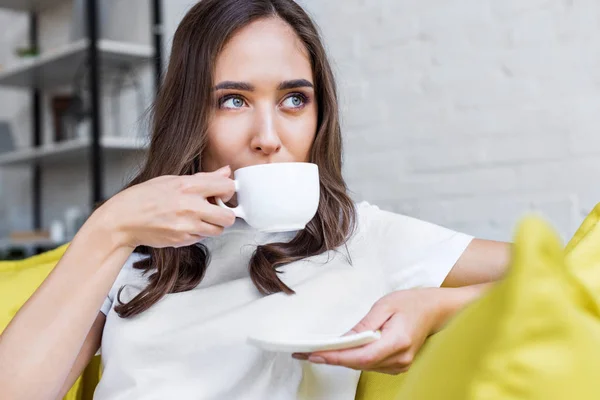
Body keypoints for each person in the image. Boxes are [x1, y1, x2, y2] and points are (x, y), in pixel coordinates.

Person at [0, 0, 510, 399]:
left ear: (319, 115)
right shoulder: (137, 246)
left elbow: (572, 269)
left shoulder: (361, 235)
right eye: (234, 100)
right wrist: (109, 228)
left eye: (294, 99)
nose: (268, 136)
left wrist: (440, 305)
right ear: (190, 115)